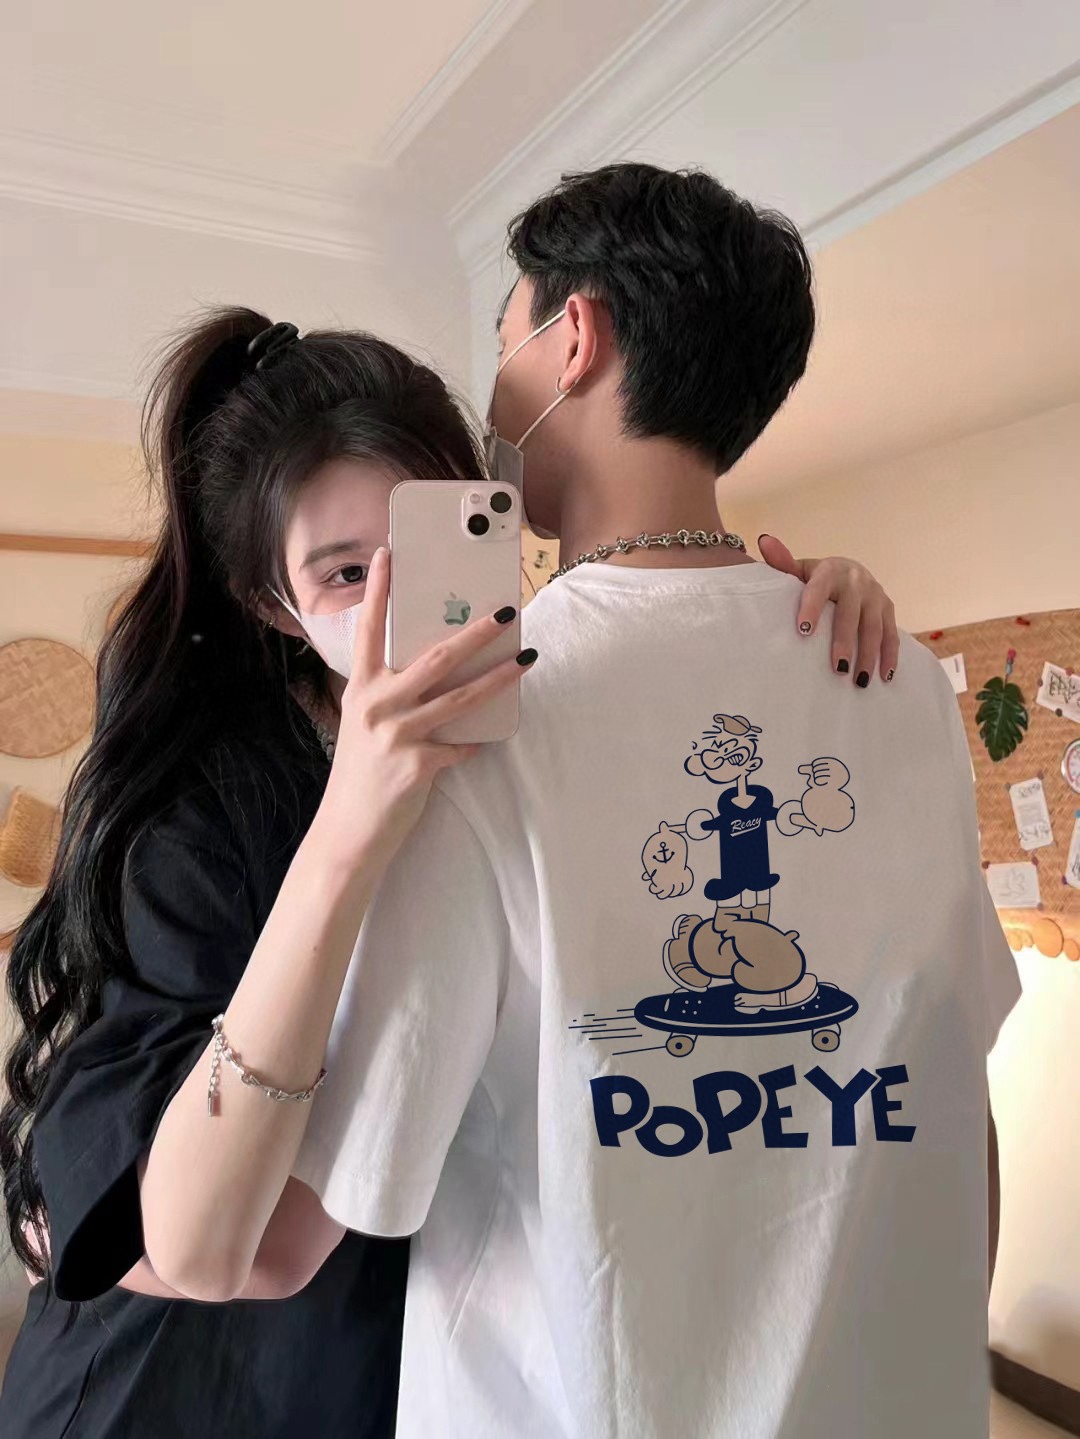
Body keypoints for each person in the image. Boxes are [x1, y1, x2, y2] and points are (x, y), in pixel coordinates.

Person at [0, 303, 894, 1437]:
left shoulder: (545, 719)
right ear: (276, 608)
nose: (397, 610)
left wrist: (788, 628)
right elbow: (216, 1242)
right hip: (175, 1388)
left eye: (426, 553)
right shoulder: (210, 816)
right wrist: (353, 825)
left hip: (420, 1369)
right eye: (341, 575)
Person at [291, 164, 1021, 1439]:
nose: (493, 396)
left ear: (573, 338)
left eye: (504, 344)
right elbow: (953, 1071)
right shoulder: (897, 677)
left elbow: (365, 1171)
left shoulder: (473, 702)